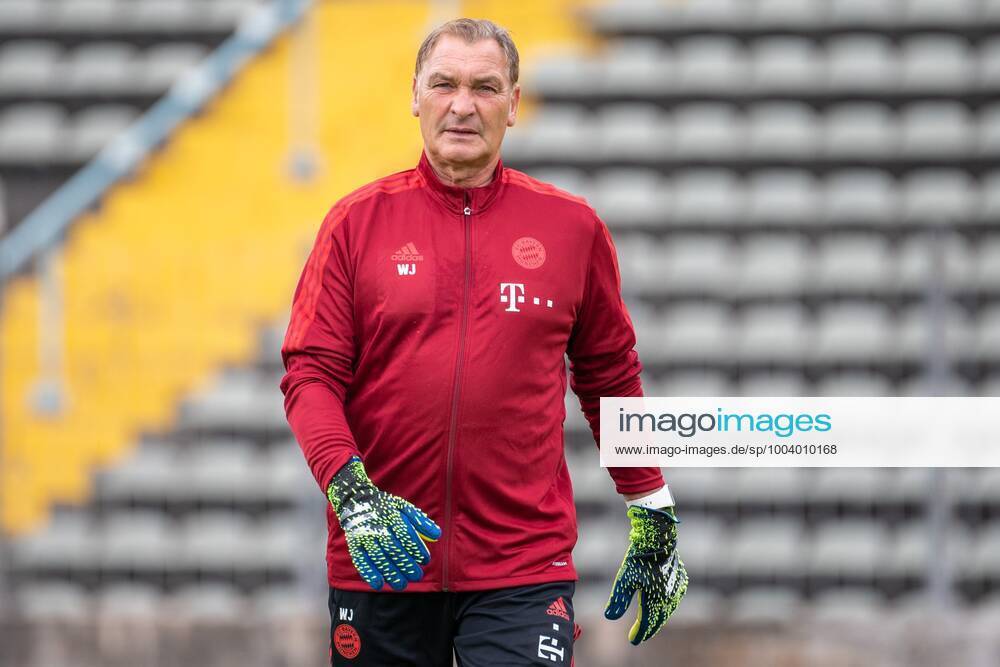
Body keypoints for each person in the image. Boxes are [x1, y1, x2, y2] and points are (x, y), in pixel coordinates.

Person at [279, 18, 687, 666]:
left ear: (515, 102)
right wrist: (351, 492)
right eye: (444, 84)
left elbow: (610, 377)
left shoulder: (572, 227)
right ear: (415, 94)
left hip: (523, 564)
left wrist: (652, 505)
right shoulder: (355, 223)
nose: (462, 105)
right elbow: (310, 376)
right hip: (384, 556)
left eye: (484, 87)